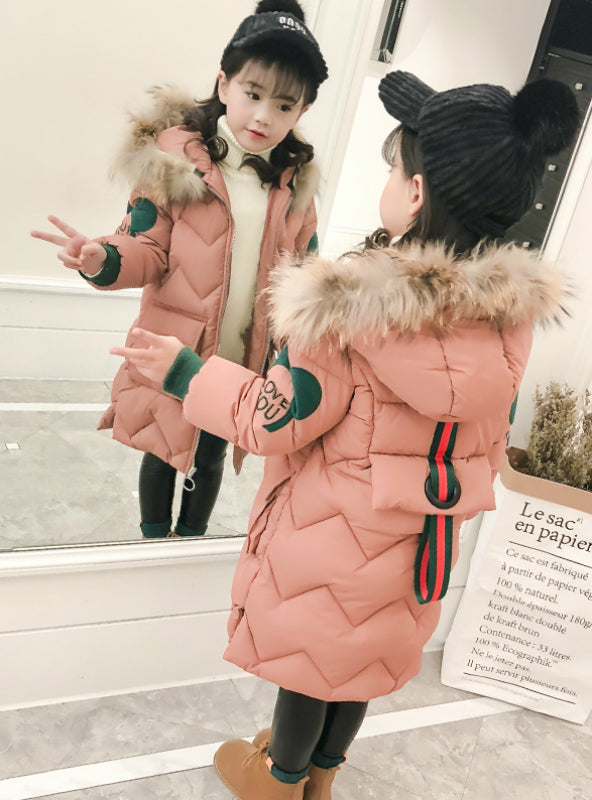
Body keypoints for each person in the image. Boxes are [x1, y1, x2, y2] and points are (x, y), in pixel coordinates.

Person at [110, 71, 579, 800]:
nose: (387, 182)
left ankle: (279, 779)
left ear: (415, 192)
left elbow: (273, 419)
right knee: (360, 662)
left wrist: (185, 375)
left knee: (312, 666)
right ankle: (322, 777)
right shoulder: (506, 323)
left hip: (330, 533)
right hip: (422, 544)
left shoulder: (347, 307)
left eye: (394, 168)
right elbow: (485, 444)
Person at [30, 0, 327, 540]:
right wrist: (101, 258)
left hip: (241, 361)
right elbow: (145, 247)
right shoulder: (174, 162)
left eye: (284, 105)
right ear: (224, 83)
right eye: (253, 94)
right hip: (176, 348)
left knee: (210, 456)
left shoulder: (295, 183)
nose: (263, 116)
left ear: (302, 110)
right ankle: (151, 540)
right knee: (164, 451)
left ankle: (188, 541)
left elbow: (302, 278)